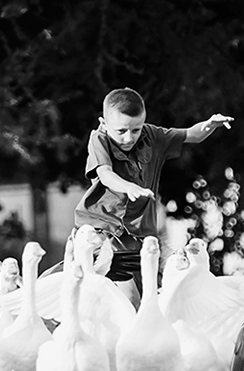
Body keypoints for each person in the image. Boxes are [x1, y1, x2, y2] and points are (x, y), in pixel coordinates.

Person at [73, 88, 232, 252]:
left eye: (136, 130)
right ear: (104, 124)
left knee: (168, 269)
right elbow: (105, 174)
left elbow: (193, 135)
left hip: (139, 234)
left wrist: (209, 124)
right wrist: (128, 187)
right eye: (121, 131)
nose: (129, 138)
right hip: (101, 229)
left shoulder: (152, 136)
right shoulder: (99, 139)